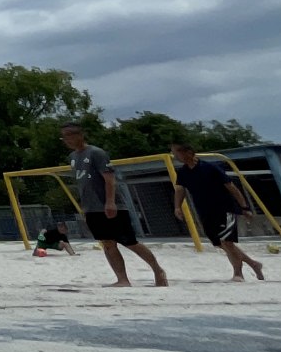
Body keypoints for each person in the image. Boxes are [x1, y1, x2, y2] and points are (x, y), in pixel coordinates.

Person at [61, 122, 166, 288]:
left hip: (109, 205)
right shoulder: (73, 157)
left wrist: (110, 202)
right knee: (108, 243)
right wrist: (85, 207)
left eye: (69, 135)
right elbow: (84, 184)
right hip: (92, 207)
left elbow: (109, 179)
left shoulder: (96, 153)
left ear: (80, 135)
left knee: (130, 242)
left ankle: (158, 270)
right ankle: (122, 279)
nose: (67, 139)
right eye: (64, 136)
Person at [170, 143, 265, 281]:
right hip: (204, 212)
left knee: (227, 242)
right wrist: (177, 207)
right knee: (220, 244)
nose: (175, 156)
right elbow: (180, 190)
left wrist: (244, 207)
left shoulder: (211, 168)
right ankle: (254, 264)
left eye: (176, 153)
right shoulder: (183, 172)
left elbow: (231, 187)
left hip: (225, 209)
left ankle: (238, 273)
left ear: (188, 152)